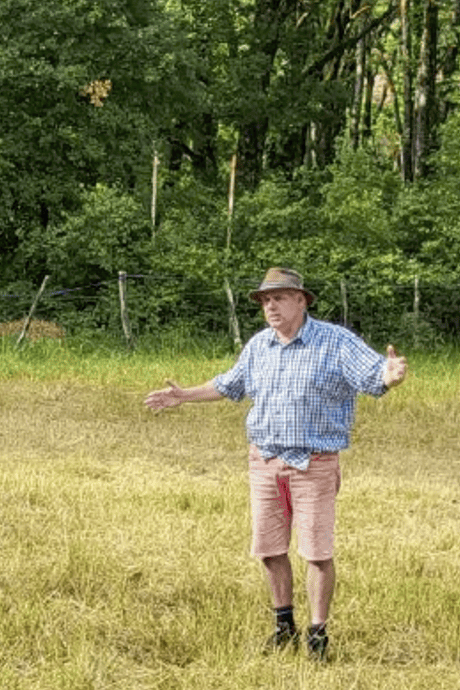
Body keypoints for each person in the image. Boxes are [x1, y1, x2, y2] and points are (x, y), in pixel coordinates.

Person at [143, 267, 408, 661]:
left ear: (302, 300)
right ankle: (284, 626)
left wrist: (389, 377)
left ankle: (318, 636)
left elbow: (373, 375)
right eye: (266, 300)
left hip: (313, 464)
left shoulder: (334, 342)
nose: (271, 306)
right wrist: (184, 395)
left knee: (316, 552)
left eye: (280, 297)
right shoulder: (259, 346)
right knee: (268, 549)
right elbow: (229, 384)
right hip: (265, 461)